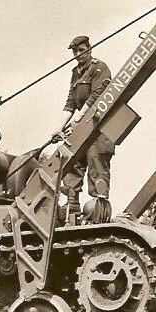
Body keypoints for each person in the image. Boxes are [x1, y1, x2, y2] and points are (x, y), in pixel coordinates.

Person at [50, 35, 115, 221]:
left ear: (89, 49)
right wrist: (58, 128)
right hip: (82, 127)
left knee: (97, 167)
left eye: (81, 50)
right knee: (72, 165)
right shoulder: (76, 73)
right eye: (75, 51)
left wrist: (78, 118)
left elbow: (97, 96)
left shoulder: (99, 68)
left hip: (98, 128)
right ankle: (71, 211)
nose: (78, 54)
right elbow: (70, 103)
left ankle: (98, 214)